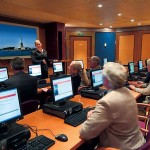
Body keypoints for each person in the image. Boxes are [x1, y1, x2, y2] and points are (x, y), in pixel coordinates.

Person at [80, 62, 145, 150]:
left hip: (122, 147)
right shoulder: (127, 91)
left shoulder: (106, 102)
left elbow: (85, 133)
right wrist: (97, 113)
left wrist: (90, 117)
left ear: (106, 80)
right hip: (137, 141)